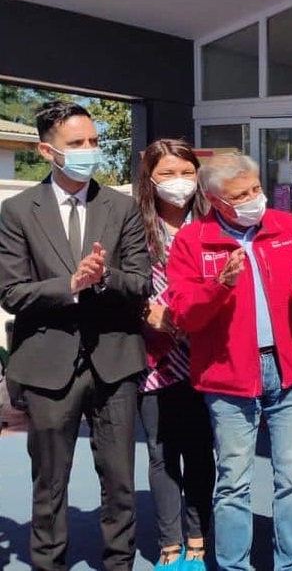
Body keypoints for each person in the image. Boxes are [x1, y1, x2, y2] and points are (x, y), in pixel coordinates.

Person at [0, 100, 152, 571]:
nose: (89, 151)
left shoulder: (122, 207)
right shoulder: (17, 212)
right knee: (49, 483)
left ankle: (119, 563)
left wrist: (103, 276)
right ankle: (49, 563)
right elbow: (11, 292)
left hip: (115, 363)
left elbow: (140, 282)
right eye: (77, 144)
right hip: (47, 366)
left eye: (94, 141)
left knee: (120, 482)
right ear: (47, 150)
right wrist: (70, 285)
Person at [165, 151, 292, 571]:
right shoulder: (192, 241)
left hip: (291, 370)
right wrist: (219, 287)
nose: (254, 199)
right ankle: (234, 564)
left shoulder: (290, 228)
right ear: (213, 200)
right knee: (234, 483)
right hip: (228, 377)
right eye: (241, 195)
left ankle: (291, 563)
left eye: (256, 189)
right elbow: (183, 314)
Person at [134, 139, 215, 570]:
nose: (178, 182)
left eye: (186, 172)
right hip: (154, 358)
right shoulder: (133, 226)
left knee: (201, 451)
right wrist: (147, 310)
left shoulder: (212, 223)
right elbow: (121, 284)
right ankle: (169, 544)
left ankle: (198, 539)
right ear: (149, 178)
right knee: (162, 452)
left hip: (205, 357)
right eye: (167, 173)